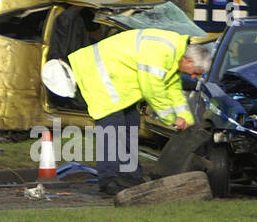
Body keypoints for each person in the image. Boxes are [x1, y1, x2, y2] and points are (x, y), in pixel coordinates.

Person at [67, 27, 212, 195]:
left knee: (131, 123)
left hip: (116, 78)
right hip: (99, 74)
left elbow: (172, 88)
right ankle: (108, 179)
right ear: (188, 61)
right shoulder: (162, 52)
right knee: (112, 128)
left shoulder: (175, 54)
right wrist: (171, 119)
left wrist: (186, 118)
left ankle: (130, 175)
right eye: (196, 73)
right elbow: (152, 89)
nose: (194, 78)